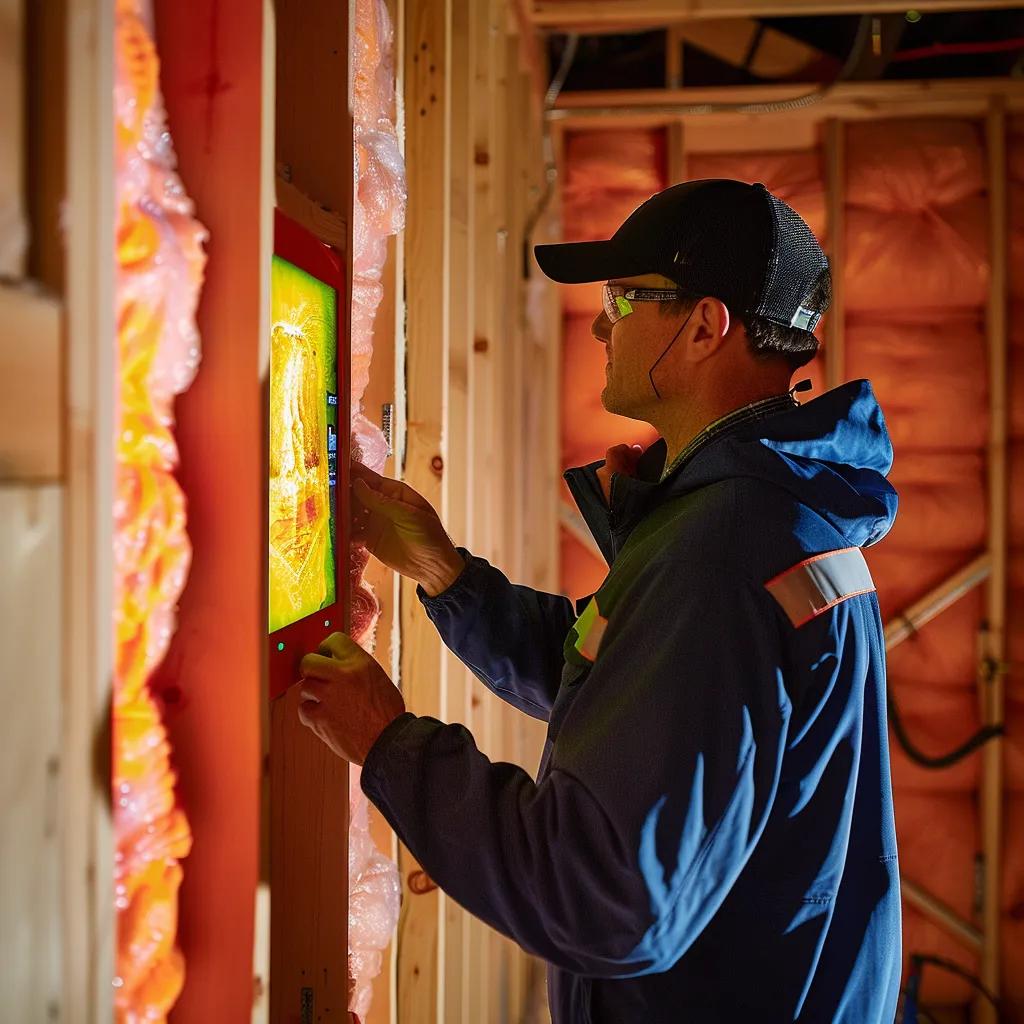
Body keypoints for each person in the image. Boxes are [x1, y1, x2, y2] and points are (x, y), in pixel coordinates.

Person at [297, 179, 902, 1022]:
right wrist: (448, 576)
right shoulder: (780, 509)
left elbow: (609, 898)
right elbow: (644, 690)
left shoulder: (728, 547)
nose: (601, 322)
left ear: (704, 326)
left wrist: (389, 743)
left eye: (624, 297)